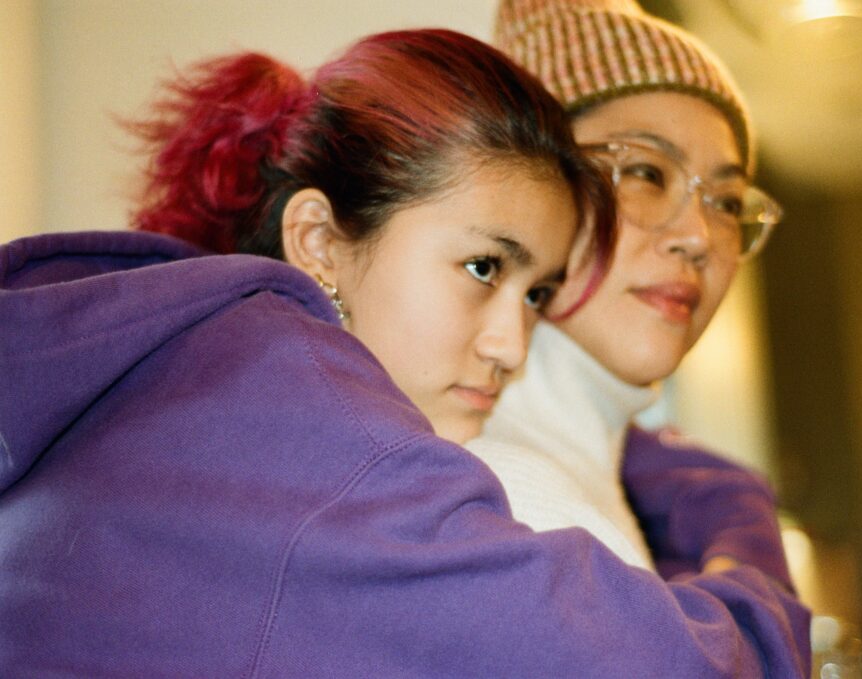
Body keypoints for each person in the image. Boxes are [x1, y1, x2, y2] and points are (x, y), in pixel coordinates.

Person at [0, 28, 805, 679]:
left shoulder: (203, 380)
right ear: (319, 240)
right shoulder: (340, 449)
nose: (510, 345)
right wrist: (735, 514)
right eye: (482, 267)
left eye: (535, 294)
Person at [468, 0, 812, 667]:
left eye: (726, 202)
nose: (699, 237)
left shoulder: (606, 486)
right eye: (646, 173)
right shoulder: (507, 498)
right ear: (530, 183)